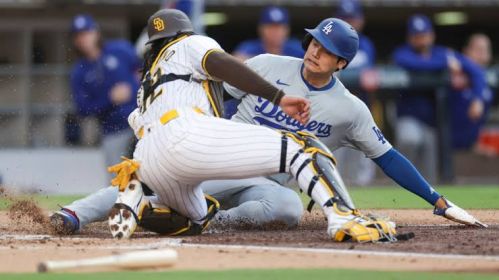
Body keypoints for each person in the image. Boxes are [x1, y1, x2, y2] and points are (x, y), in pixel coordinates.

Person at [50, 13, 485, 241]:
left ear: (342, 63)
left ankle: (210, 225)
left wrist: (435, 198)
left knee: (288, 208)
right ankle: (72, 214)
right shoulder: (268, 66)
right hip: (222, 159)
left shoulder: (349, 109)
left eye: (327, 48)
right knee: (147, 183)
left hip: (264, 183)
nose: (316, 50)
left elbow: (387, 156)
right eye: (315, 40)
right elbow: (212, 95)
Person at [392, 14, 487, 183]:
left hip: (433, 121)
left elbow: (476, 71)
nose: (421, 40)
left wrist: (478, 98)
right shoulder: (402, 53)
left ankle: (418, 207)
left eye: (424, 35)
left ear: (431, 35)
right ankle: (398, 184)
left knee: (429, 176)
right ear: (410, 37)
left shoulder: (441, 53)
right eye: (417, 36)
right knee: (410, 140)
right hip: (408, 115)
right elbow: (415, 64)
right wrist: (445, 64)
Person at [70, 14, 141, 169]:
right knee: (119, 181)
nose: (84, 38)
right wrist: (110, 99)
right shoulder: (79, 72)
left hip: (142, 121)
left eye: (86, 32)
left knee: (152, 173)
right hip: (114, 130)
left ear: (96, 32)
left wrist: (137, 88)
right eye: (79, 35)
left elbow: (144, 71)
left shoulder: (121, 49)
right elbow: (83, 109)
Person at [332, 0, 377, 186]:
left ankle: (366, 201)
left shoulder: (366, 44)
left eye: (352, 19)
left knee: (363, 157)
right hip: (334, 108)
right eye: (344, 19)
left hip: (361, 108)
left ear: (361, 20)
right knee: (335, 158)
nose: (349, 23)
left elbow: (370, 76)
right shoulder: (329, 42)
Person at [450, 34, 494, 149]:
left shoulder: (490, 81)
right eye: (478, 49)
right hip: (443, 144)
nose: (482, 54)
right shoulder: (453, 71)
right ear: (466, 51)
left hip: (469, 145)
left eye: (485, 50)